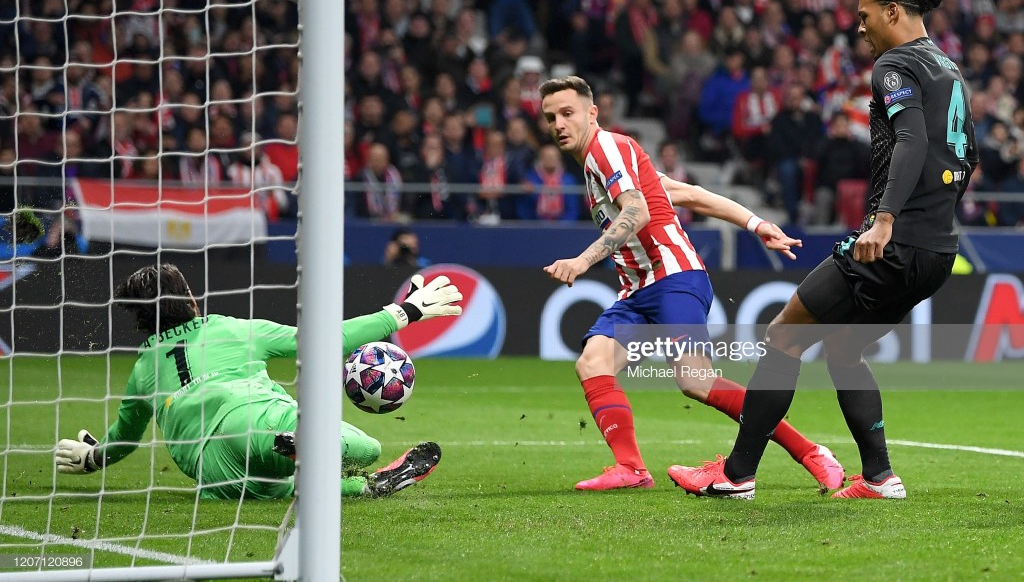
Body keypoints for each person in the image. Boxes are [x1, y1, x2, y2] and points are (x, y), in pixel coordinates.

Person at [668, 0, 978, 500]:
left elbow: (909, 141)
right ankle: (879, 478)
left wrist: (884, 219)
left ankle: (737, 473)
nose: (859, 28)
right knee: (842, 348)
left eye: (864, 16)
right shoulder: (949, 69)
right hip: (937, 248)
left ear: (893, 12)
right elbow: (965, 156)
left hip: (895, 240)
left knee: (784, 333)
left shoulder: (895, 65)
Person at [539, 76, 845, 492]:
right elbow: (688, 193)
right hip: (637, 290)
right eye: (550, 116)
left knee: (695, 380)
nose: (558, 123)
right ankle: (630, 469)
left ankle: (811, 452)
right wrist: (756, 223)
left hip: (673, 276)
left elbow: (638, 212)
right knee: (593, 363)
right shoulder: (608, 161)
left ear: (592, 113)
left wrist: (582, 260)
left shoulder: (606, 148)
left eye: (567, 112)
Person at [55, 263, 463, 499]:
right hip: (252, 420)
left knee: (274, 490)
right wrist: (403, 312)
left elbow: (125, 437)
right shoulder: (230, 329)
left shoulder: (143, 369)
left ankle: (362, 488)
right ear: (190, 300)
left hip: (211, 471)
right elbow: (324, 340)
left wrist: (93, 458)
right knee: (364, 448)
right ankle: (310, 451)